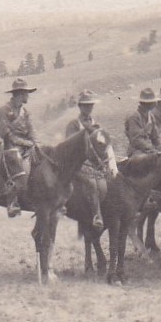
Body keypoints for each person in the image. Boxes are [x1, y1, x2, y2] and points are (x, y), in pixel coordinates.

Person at [0, 78, 38, 217]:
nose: (27, 96)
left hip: (27, 145)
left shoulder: (25, 112)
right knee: (17, 166)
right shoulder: (4, 110)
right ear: (19, 94)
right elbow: (5, 133)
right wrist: (25, 143)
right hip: (11, 146)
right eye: (26, 93)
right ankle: (12, 202)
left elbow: (31, 130)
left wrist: (35, 142)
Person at [65, 90, 106, 228]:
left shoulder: (96, 125)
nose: (89, 108)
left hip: (94, 162)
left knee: (108, 180)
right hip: (77, 163)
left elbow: (101, 145)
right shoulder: (73, 124)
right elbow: (69, 147)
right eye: (86, 105)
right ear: (80, 107)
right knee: (91, 183)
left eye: (91, 105)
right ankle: (97, 215)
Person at [126, 88, 161, 159]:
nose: (154, 104)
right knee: (153, 159)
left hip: (150, 150)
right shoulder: (134, 117)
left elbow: (156, 136)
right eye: (151, 102)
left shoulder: (150, 116)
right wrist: (152, 149)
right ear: (145, 104)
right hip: (136, 152)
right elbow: (136, 140)